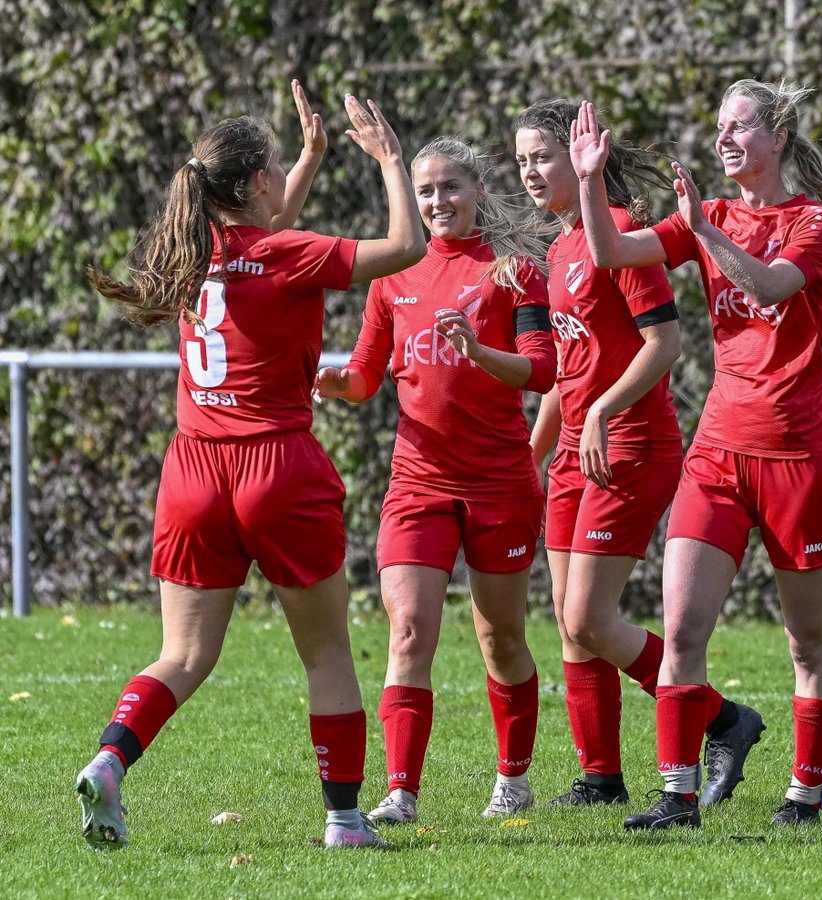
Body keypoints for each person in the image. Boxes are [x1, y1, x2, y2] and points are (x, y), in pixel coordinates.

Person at [76, 83, 426, 849]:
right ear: (255, 183)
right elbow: (406, 248)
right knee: (328, 651)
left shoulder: (186, 259)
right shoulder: (283, 256)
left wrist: (305, 158)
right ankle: (342, 820)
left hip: (194, 471)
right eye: (274, 167)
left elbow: (263, 246)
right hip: (278, 468)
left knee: (184, 654)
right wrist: (391, 161)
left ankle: (110, 759)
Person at [569, 78, 822, 829]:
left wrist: (708, 232)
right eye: (720, 127)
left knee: (808, 640)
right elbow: (609, 252)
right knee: (686, 630)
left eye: (740, 127)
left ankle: (807, 792)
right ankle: (678, 797)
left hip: (799, 460)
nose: (724, 138)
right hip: (718, 455)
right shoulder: (712, 214)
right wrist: (592, 180)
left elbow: (764, 286)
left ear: (778, 137)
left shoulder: (813, 223)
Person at [512, 99, 764, 808]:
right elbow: (568, 369)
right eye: (523, 157)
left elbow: (665, 345)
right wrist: (531, 458)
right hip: (574, 449)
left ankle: (723, 719)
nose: (530, 169)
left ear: (581, 156)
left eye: (543, 155)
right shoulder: (559, 247)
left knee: (591, 617)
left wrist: (600, 410)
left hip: (630, 446)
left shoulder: (618, 232)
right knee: (569, 618)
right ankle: (601, 777)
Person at [313, 137, 556, 824]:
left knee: (500, 638)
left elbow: (542, 371)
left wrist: (478, 351)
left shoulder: (513, 270)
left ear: (478, 190)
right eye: (425, 192)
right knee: (410, 629)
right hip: (417, 482)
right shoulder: (397, 274)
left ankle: (513, 777)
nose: (437, 202)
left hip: (499, 483)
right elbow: (367, 370)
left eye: (450, 187)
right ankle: (400, 792)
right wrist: (343, 384)